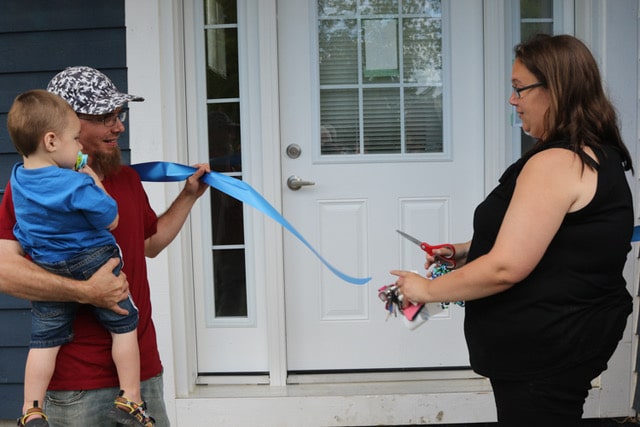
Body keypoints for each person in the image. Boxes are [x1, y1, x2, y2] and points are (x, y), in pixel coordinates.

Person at [391, 34, 634, 426]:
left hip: (547, 344)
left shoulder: (558, 162)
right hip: (564, 336)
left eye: (519, 89)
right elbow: (556, 236)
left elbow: (507, 267)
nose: (513, 101)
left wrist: (426, 289)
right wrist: (466, 250)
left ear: (555, 89)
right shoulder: (594, 152)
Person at [0, 66, 210, 427]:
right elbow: (5, 272)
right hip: (76, 387)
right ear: (67, 124)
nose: (119, 126)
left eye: (119, 114)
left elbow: (149, 244)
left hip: (141, 377)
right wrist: (86, 291)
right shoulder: (27, 190)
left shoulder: (126, 178)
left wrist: (188, 197)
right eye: (105, 117)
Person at [7, 89, 153, 427]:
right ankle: (131, 397)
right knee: (124, 324)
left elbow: (22, 232)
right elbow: (110, 218)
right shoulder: (75, 183)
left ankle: (31, 409)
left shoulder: (17, 180)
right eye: (75, 138)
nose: (80, 147)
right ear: (52, 141)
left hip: (47, 260)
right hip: (92, 260)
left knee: (43, 342)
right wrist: (92, 181)